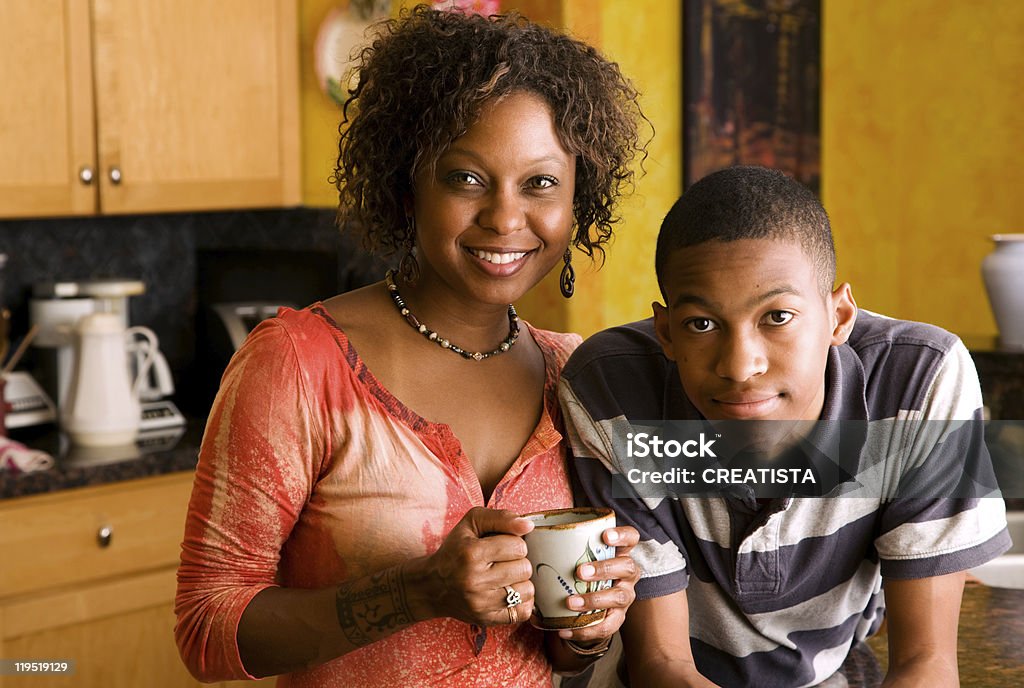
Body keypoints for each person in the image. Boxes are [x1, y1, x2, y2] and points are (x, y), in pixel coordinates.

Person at [174, 6, 649, 687]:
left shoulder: (576, 374)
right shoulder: (300, 365)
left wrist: (589, 628)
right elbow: (205, 629)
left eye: (540, 183)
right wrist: (415, 593)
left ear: (579, 197)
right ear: (407, 185)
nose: (506, 219)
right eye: (466, 178)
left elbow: (554, 648)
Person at [559, 166, 1011, 687]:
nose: (740, 365)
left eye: (776, 317)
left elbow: (925, 664)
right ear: (666, 331)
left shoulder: (919, 381)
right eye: (701, 324)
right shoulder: (612, 391)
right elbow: (662, 664)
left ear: (840, 316)